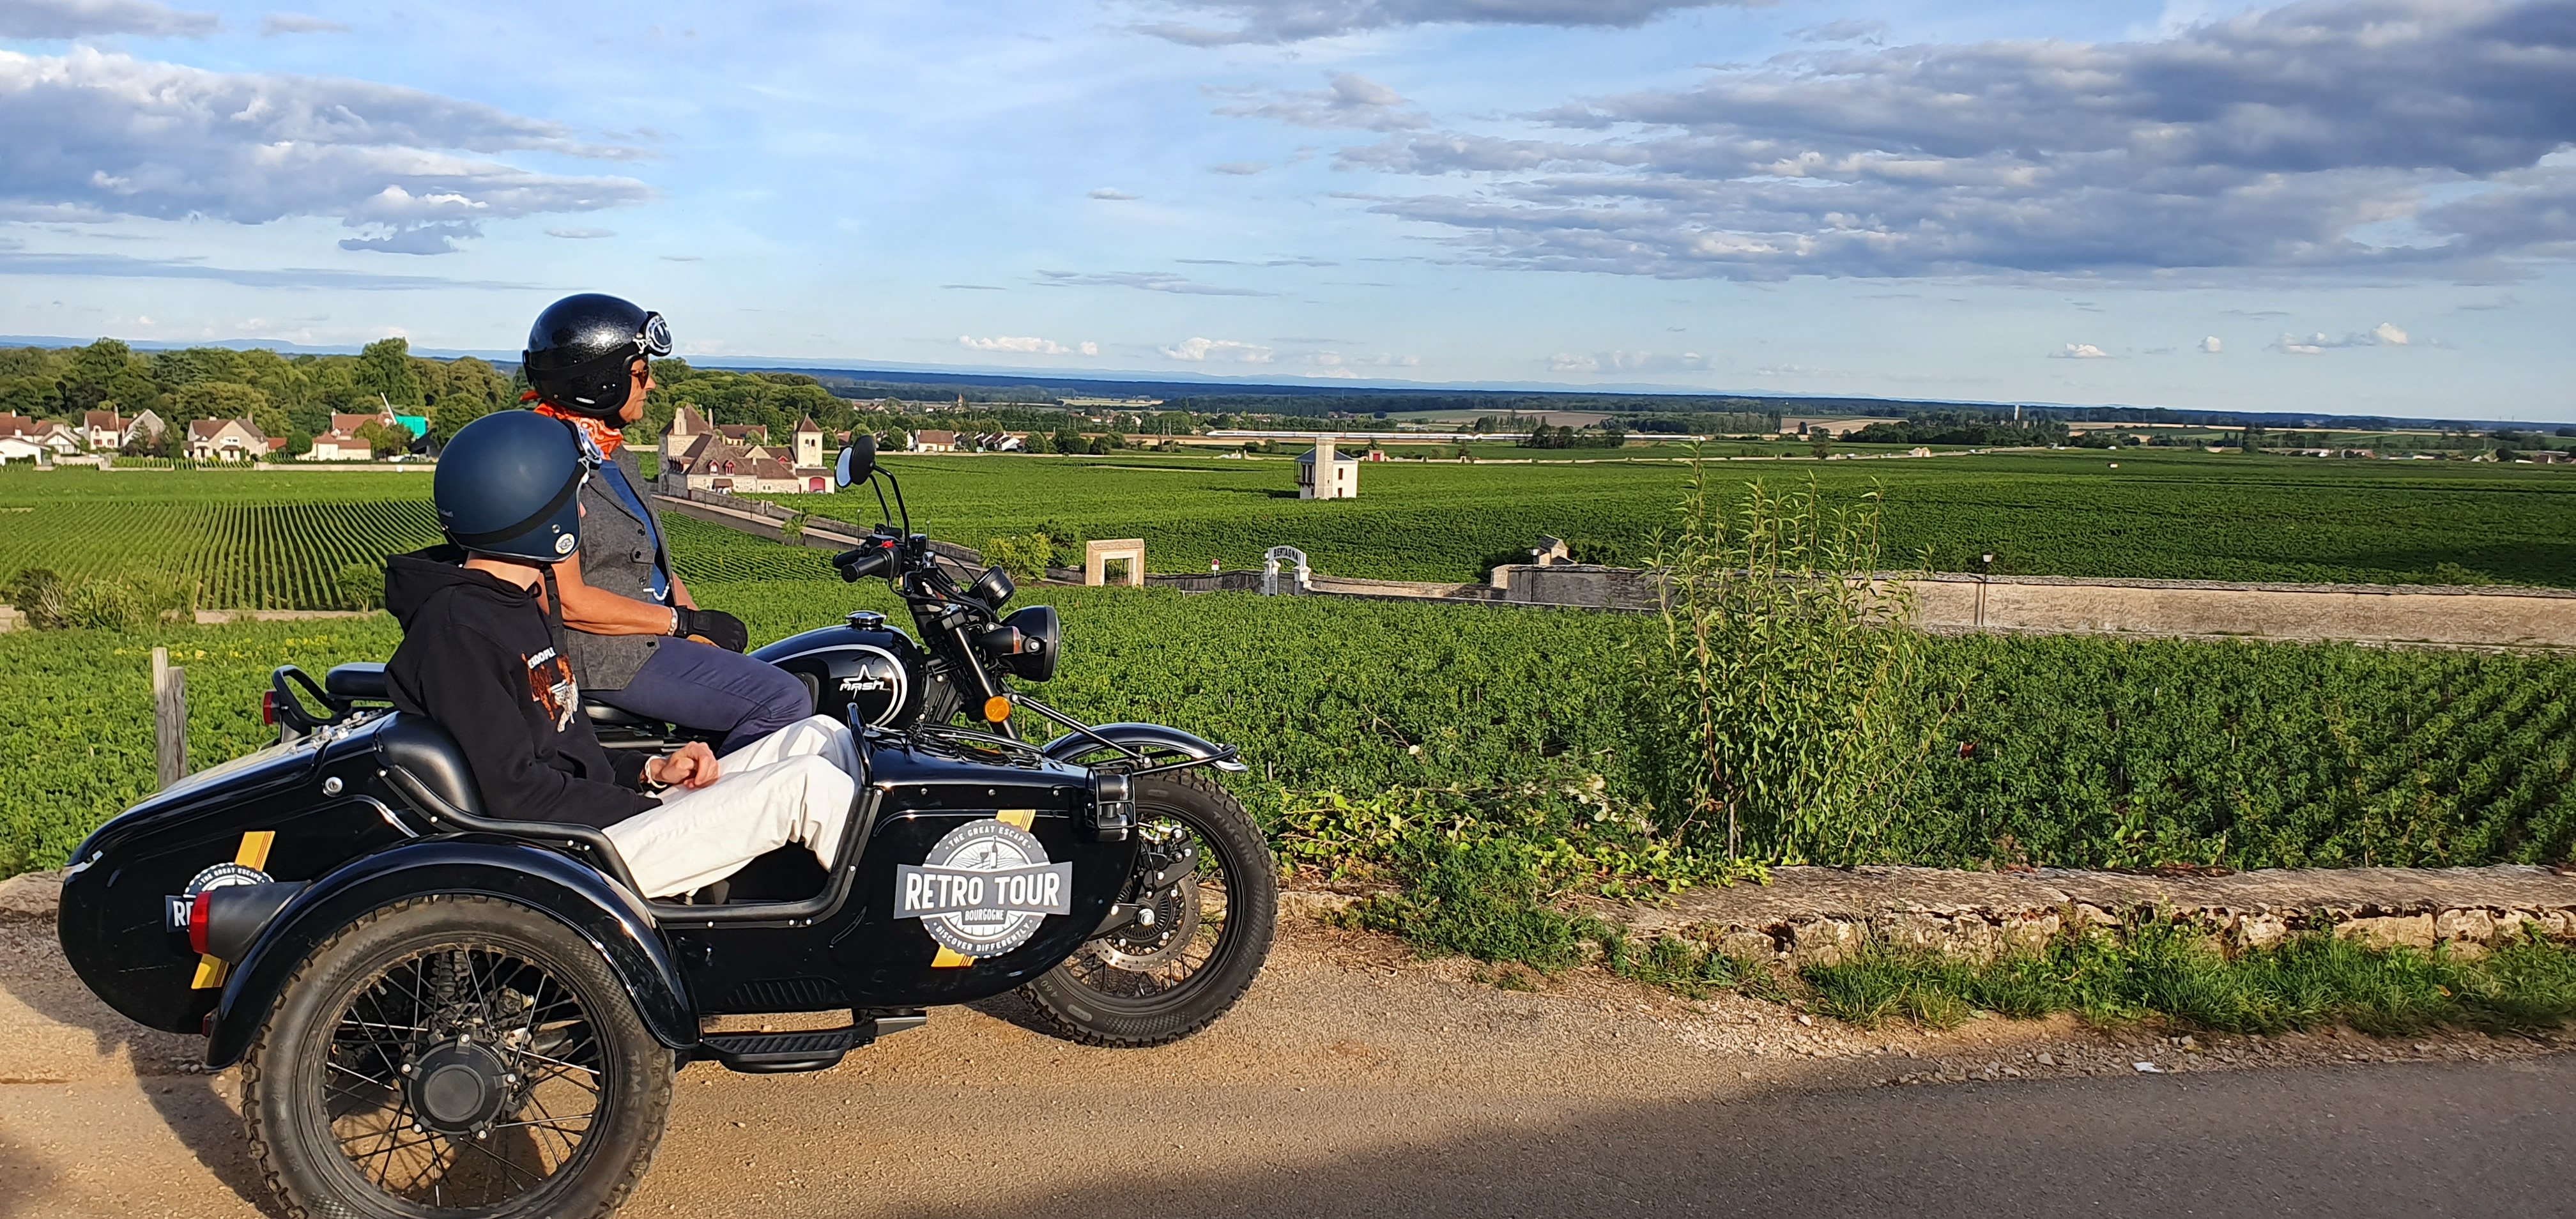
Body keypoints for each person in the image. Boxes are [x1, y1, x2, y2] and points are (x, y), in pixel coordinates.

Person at [385, 410, 860, 899]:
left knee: (820, 737)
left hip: (601, 819)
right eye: (573, 502)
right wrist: (651, 810)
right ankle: (913, 935)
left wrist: (652, 772)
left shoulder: (515, 604)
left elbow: (566, 749)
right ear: (528, 512)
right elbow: (518, 794)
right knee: (807, 788)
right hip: (574, 856)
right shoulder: (460, 632)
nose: (584, 515)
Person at [517, 293, 811, 753]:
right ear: (600, 381)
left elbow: (655, 565)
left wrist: (698, 629)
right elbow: (566, 602)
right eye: (640, 373)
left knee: (772, 675)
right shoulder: (548, 464)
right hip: (606, 660)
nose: (650, 386)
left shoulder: (611, 454)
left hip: (648, 643)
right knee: (783, 699)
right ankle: (713, 819)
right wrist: (680, 623)